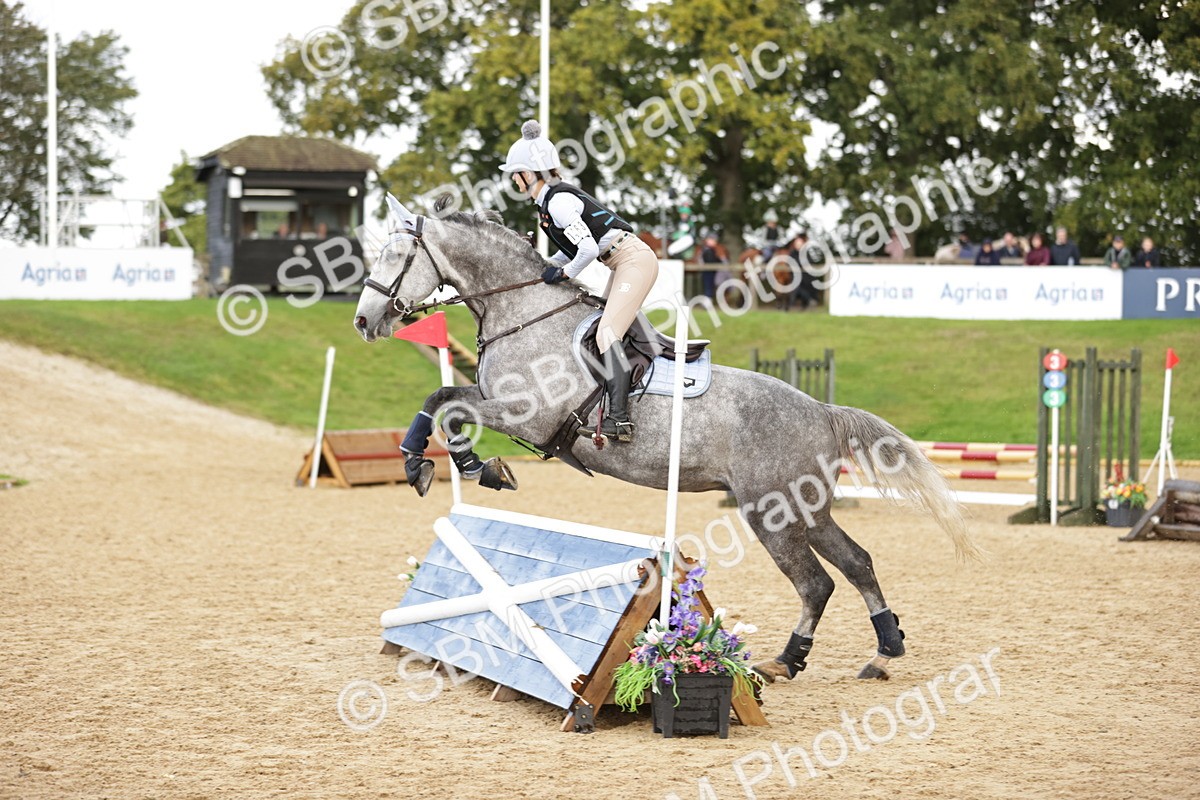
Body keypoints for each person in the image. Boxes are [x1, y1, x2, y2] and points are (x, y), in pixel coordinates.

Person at [499, 120, 657, 443]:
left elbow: (585, 250)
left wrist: (565, 273)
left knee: (607, 332)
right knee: (599, 325)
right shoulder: (549, 203)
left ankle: (620, 419)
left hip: (632, 259)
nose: (513, 180)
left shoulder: (557, 202)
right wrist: (545, 267)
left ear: (528, 174)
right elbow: (570, 249)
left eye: (515, 173)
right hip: (620, 261)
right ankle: (612, 401)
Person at [699, 232, 726, 299]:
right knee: (708, 287)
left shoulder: (714, 249)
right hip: (708, 271)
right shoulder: (706, 250)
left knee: (711, 286)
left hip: (713, 271)